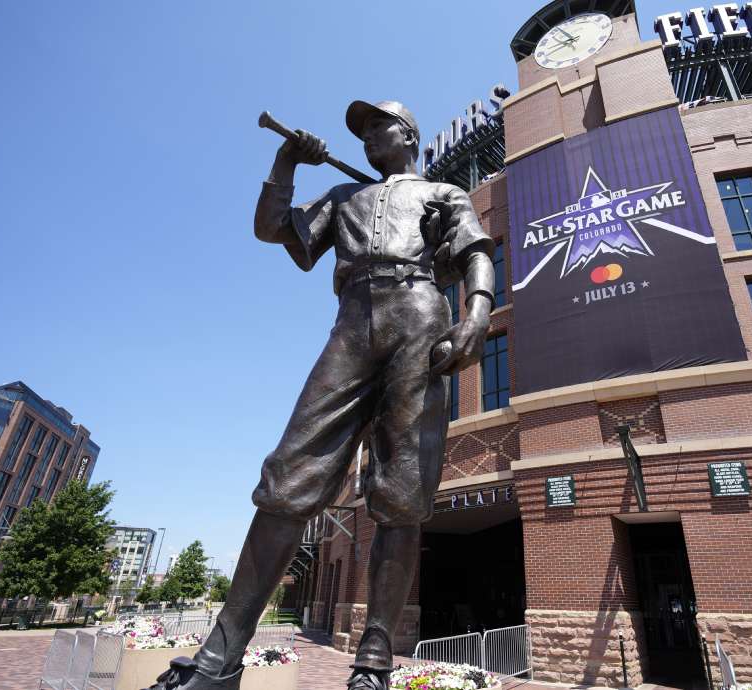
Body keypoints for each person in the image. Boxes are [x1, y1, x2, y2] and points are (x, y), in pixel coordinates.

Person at [146, 100, 494, 690]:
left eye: (375, 128)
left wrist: (477, 316)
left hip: (419, 313)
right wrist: (286, 164)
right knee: (289, 476)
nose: (364, 141)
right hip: (352, 320)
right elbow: (272, 229)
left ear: (406, 134)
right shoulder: (343, 198)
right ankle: (219, 659)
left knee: (402, 490)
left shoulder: (443, 192)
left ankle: (374, 664)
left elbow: (476, 251)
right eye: (358, 135)